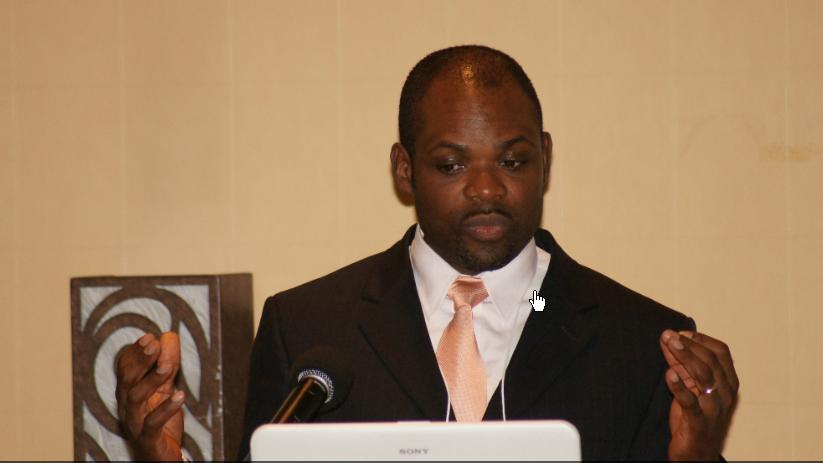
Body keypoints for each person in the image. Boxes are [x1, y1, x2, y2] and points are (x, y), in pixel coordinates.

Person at [116, 45, 739, 461]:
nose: (488, 189)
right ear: (405, 170)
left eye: (513, 161)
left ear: (545, 159)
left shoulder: (643, 343)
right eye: (451, 165)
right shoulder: (307, 330)